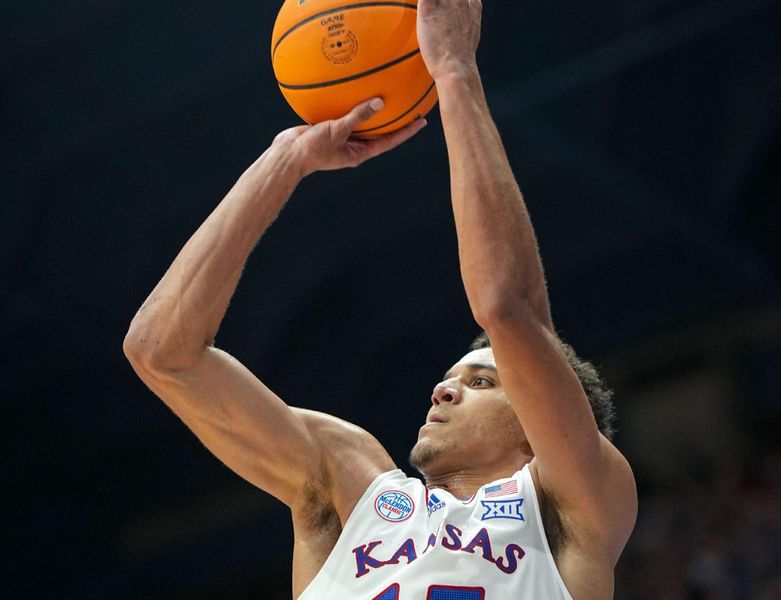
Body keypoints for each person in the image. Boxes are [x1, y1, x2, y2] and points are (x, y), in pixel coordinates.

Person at [123, 0, 637, 597]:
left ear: (537, 430)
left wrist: (453, 72)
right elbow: (161, 353)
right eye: (455, 377)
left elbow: (508, 306)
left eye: (481, 383)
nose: (443, 388)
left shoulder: (569, 509)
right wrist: (283, 161)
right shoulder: (350, 482)